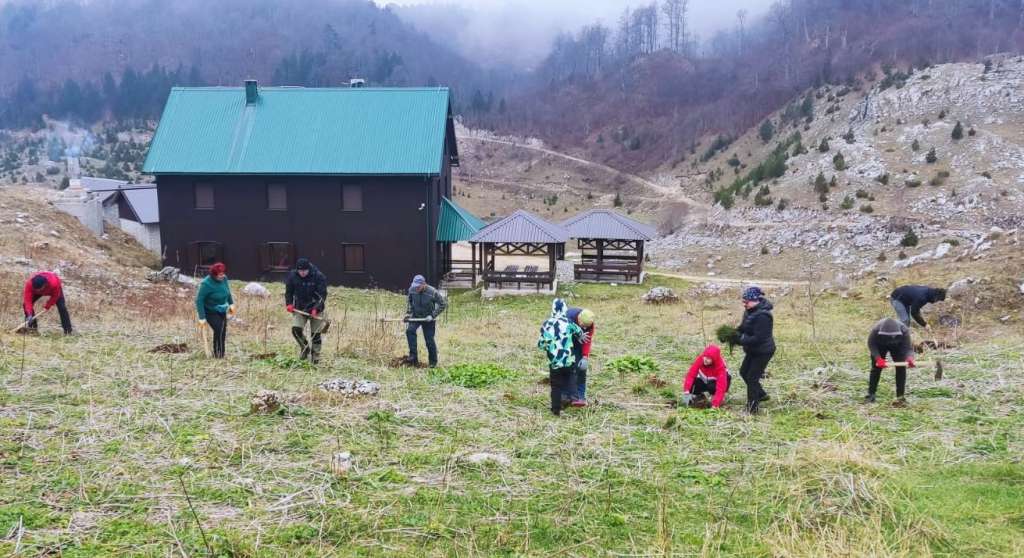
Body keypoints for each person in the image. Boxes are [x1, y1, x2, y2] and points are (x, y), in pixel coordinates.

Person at [537, 298, 583, 416]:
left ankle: (556, 409)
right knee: (571, 376)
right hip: (568, 359)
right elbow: (579, 332)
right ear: (565, 309)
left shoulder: (546, 324)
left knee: (556, 386)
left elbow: (541, 344)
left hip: (555, 361)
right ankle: (574, 397)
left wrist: (550, 347)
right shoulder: (568, 322)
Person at [735, 286, 775, 414]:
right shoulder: (749, 311)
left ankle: (752, 408)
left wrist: (740, 340)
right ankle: (761, 394)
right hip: (752, 350)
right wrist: (733, 334)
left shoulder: (764, 316)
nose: (744, 303)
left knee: (752, 377)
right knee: (743, 372)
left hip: (763, 351)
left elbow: (759, 338)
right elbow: (743, 327)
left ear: (755, 300)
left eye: (746, 301)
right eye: (743, 301)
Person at [285, 258, 328, 363]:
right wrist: (289, 303)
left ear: (309, 269)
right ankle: (305, 347)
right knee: (296, 329)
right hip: (300, 308)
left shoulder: (318, 276)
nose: (302, 273)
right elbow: (289, 292)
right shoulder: (292, 276)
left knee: (315, 334)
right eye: (300, 271)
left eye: (304, 271)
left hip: (316, 308)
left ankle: (315, 357)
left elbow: (322, 295)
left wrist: (316, 308)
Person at [865, 317, 915, 406]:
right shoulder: (876, 330)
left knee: (901, 369)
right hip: (880, 346)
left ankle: (900, 397)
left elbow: (908, 348)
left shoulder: (904, 330)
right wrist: (878, 358)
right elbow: (871, 344)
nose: (891, 337)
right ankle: (871, 394)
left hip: (897, 346)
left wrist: (909, 357)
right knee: (876, 368)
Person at [404, 275, 447, 368]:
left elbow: (443, 304)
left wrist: (432, 315)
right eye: (415, 286)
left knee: (429, 340)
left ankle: (432, 363)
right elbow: (409, 301)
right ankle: (413, 357)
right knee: (409, 331)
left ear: (424, 284)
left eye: (418, 287)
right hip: (416, 316)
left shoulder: (432, 292)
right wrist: (408, 313)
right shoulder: (412, 290)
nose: (416, 289)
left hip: (428, 319)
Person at [195, 262, 234, 358]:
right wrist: (202, 317)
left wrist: (231, 304)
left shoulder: (224, 279)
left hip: (222, 309)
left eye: (223, 273)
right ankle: (219, 354)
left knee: (222, 331)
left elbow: (228, 292)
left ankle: (220, 354)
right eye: (220, 274)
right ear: (213, 275)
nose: (222, 276)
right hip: (210, 311)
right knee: (219, 329)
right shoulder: (206, 284)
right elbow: (199, 300)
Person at [681, 345, 731, 409]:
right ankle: (699, 396)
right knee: (692, 385)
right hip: (705, 380)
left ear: (714, 360)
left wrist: (715, 404)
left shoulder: (720, 367)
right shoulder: (700, 359)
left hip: (718, 384)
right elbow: (691, 375)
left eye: (708, 358)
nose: (705, 359)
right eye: (705, 356)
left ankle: (718, 399)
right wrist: (686, 391)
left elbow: (721, 387)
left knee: (712, 386)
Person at [563, 307, 595, 407]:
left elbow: (587, 340)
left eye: (587, 327)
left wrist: (585, 357)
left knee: (580, 369)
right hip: (564, 341)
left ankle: (580, 396)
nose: (584, 328)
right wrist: (576, 334)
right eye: (583, 326)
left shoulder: (590, 325)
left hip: (579, 342)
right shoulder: (568, 318)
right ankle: (564, 394)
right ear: (578, 320)